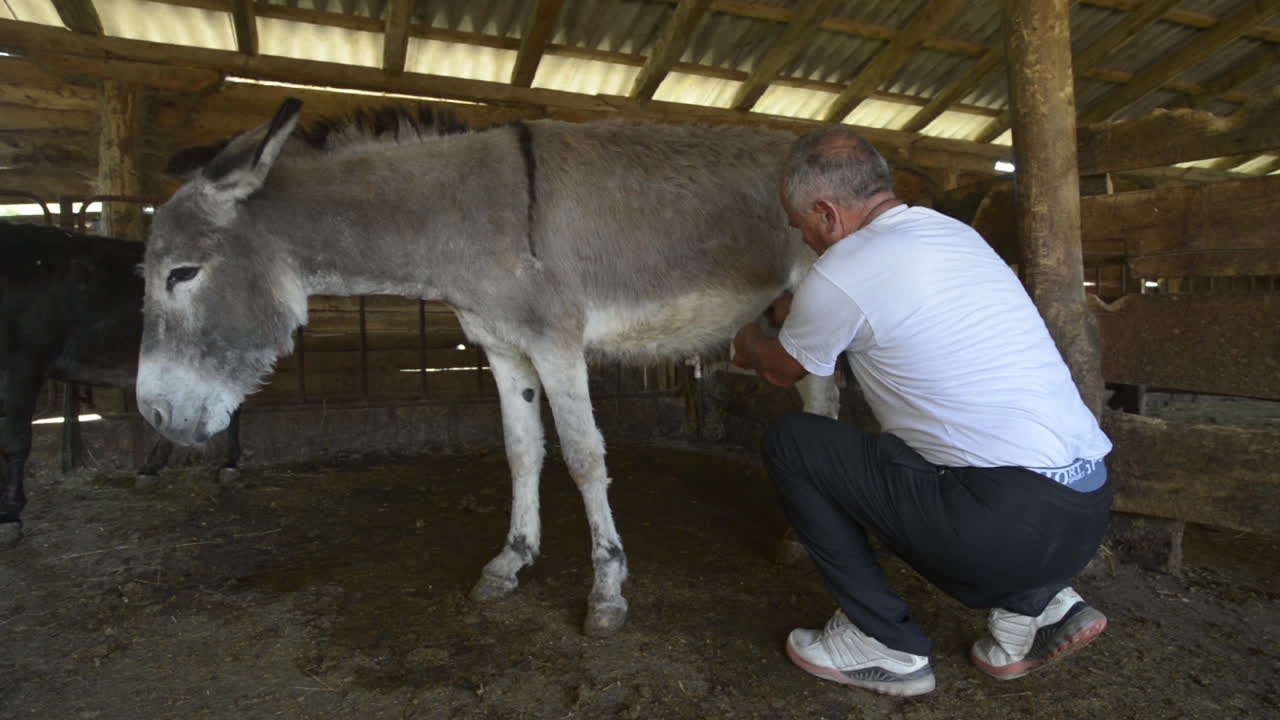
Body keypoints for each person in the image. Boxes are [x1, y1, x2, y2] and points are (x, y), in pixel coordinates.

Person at [732, 126, 1113, 698]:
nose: (805, 241)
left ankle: (879, 640)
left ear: (827, 213)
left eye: (802, 226)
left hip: (1000, 527)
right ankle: (1037, 610)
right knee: (916, 443)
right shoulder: (954, 236)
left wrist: (738, 335)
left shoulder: (843, 269)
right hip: (1085, 510)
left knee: (794, 440)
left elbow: (783, 370)